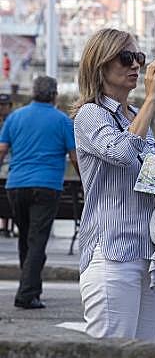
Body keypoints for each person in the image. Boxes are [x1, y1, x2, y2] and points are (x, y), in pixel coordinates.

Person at [73, 28, 155, 340]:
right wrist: (152, 98)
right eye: (126, 58)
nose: (136, 65)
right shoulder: (90, 114)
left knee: (146, 348)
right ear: (101, 64)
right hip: (113, 250)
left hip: (151, 250)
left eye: (139, 58)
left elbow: (146, 172)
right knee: (112, 348)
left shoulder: (135, 116)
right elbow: (119, 152)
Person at [0, 76, 78, 309]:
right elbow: (75, 158)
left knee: (26, 237)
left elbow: (2, 151)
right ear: (54, 95)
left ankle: (32, 287)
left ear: (33, 93)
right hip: (46, 186)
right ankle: (26, 294)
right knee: (37, 240)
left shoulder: (14, 118)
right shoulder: (62, 121)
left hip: (16, 186)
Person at [0, 93, 14, 237]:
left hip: (10, 164)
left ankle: (6, 225)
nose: (1, 108)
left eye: (4, 105)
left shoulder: (13, 121)